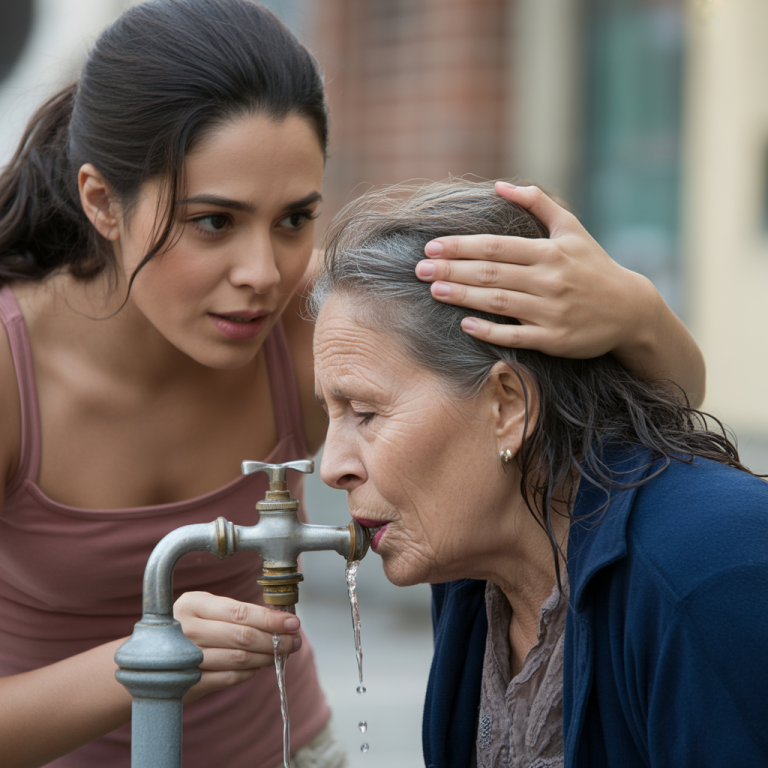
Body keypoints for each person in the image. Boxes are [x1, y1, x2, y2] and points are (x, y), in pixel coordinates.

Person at [0, 2, 706, 766]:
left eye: (294, 219)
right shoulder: (13, 376)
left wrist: (633, 313)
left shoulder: (299, 332)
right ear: (103, 201)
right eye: (214, 222)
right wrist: (148, 662)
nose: (263, 274)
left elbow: (660, 409)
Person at [310, 180, 768, 768]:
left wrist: (641, 314)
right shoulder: (472, 573)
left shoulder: (706, 575)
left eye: (365, 413)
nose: (332, 467)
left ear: (507, 407)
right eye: (330, 413)